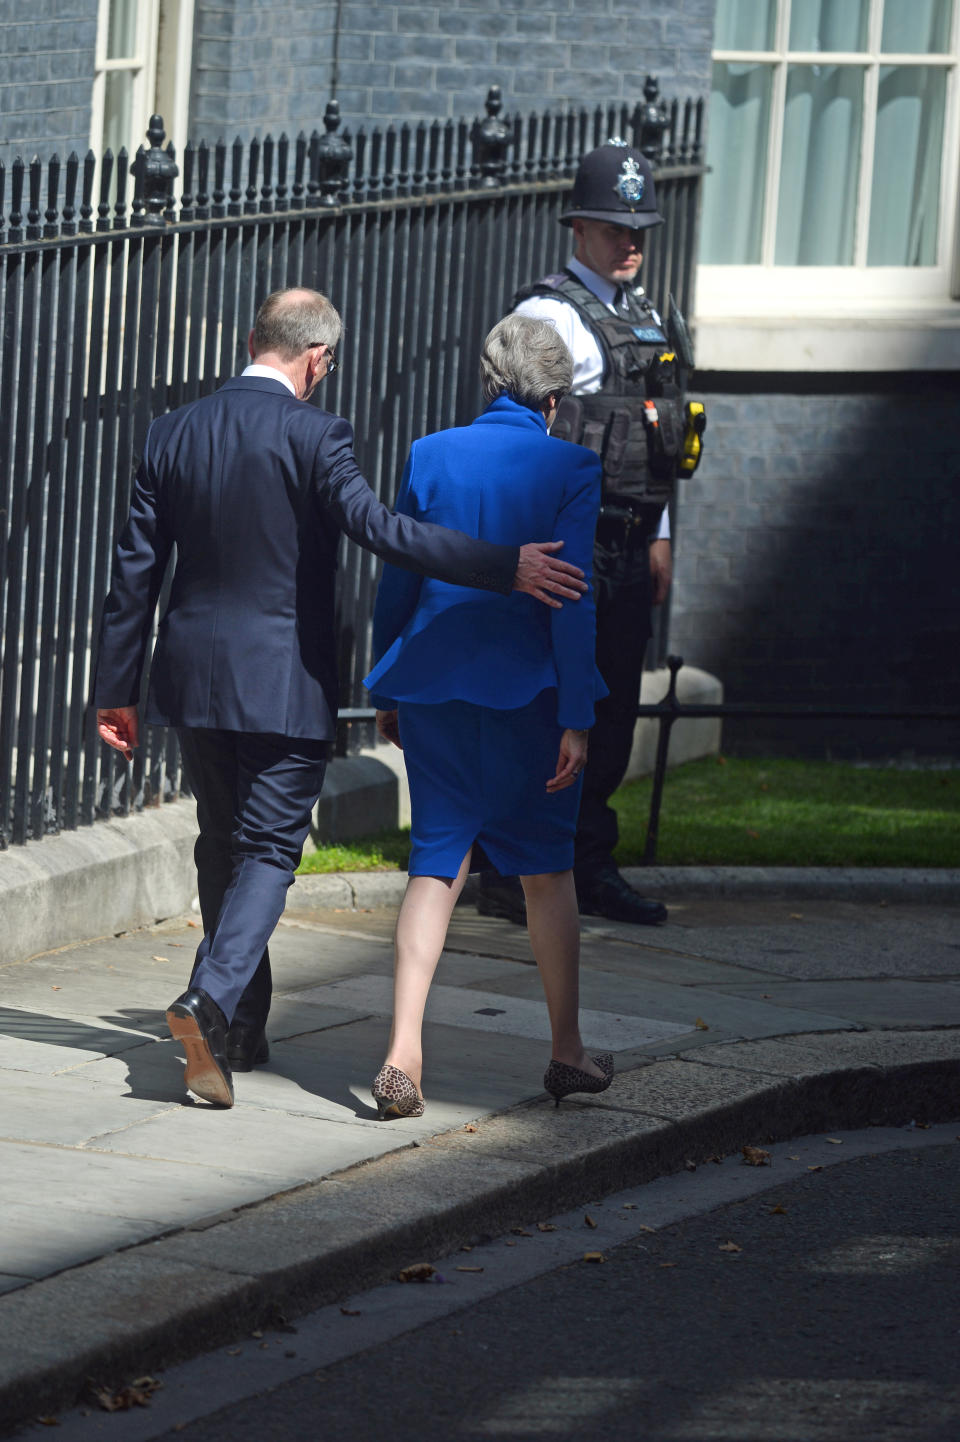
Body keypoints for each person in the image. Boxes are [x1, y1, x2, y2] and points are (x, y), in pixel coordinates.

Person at [93, 287, 590, 1110]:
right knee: (270, 852)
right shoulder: (316, 434)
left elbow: (133, 572)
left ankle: (237, 1031)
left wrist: (118, 690)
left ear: (254, 338)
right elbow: (386, 533)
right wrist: (508, 566)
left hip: (188, 677)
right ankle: (210, 999)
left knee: (221, 845)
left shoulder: (171, 430)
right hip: (284, 680)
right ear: (318, 357)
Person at [363, 314, 613, 1118]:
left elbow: (399, 576)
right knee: (545, 872)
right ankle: (567, 1051)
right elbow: (573, 600)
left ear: (490, 381)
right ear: (554, 398)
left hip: (434, 687)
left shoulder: (430, 453)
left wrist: (387, 688)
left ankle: (404, 1051)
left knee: (436, 863)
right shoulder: (572, 464)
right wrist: (578, 713)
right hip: (532, 697)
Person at [479, 139, 701, 927]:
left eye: (639, 227)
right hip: (571, 544)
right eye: (615, 227)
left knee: (611, 708)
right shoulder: (546, 317)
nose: (631, 240)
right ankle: (513, 866)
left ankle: (585, 861)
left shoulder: (640, 313)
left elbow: (657, 438)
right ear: (578, 229)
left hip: (630, 539)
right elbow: (525, 440)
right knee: (557, 704)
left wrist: (661, 531)